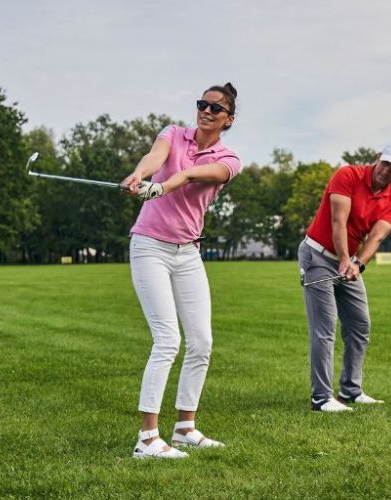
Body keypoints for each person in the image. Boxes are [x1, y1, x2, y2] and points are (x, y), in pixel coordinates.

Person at [121, 82, 242, 458]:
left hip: (188, 253)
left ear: (229, 119)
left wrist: (161, 189)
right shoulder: (173, 134)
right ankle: (147, 439)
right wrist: (141, 177)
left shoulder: (230, 159)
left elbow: (191, 177)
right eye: (202, 104)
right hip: (150, 246)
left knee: (202, 342)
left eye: (216, 108)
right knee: (167, 340)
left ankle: (185, 427)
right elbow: (154, 156)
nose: (206, 110)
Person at [299, 142, 391, 412]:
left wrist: (358, 264)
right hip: (318, 256)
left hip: (347, 262)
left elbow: (377, 236)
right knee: (324, 328)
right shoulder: (348, 175)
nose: (386, 170)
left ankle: (350, 389)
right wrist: (346, 259)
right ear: (376, 159)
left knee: (360, 325)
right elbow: (339, 220)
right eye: (385, 163)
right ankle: (321, 398)